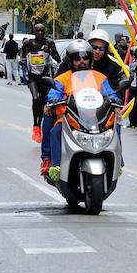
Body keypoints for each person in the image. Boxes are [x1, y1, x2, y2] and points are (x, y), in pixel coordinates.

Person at [42, 39, 119, 181]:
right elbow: (54, 92)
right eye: (77, 58)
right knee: (54, 131)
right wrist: (52, 99)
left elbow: (110, 93)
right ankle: (55, 164)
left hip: (97, 120)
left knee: (116, 124)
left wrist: (115, 99)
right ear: (71, 61)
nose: (81, 61)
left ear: (90, 60)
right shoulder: (62, 78)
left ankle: (118, 160)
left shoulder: (100, 78)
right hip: (69, 120)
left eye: (85, 58)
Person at [20, 24, 61, 143]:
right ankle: (35, 126)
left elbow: (57, 58)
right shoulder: (29, 43)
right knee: (36, 98)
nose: (40, 33)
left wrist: (51, 51)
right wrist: (25, 59)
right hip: (33, 77)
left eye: (42, 30)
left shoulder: (49, 42)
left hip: (45, 77)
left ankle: (40, 127)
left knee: (43, 102)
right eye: (37, 30)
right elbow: (22, 57)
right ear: (34, 31)